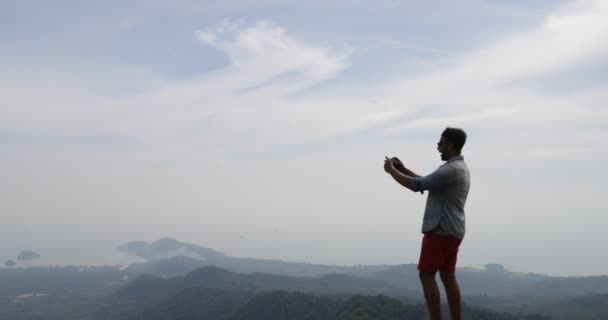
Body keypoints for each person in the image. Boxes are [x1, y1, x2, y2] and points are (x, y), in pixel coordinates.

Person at [383, 127, 470, 320]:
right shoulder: (459, 169)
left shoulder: (450, 169)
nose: (438, 147)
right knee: (447, 276)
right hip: (454, 230)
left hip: (440, 230)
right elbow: (427, 181)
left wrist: (391, 172)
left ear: (451, 145)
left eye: (441, 143)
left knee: (426, 275)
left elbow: (417, 185)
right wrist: (403, 170)